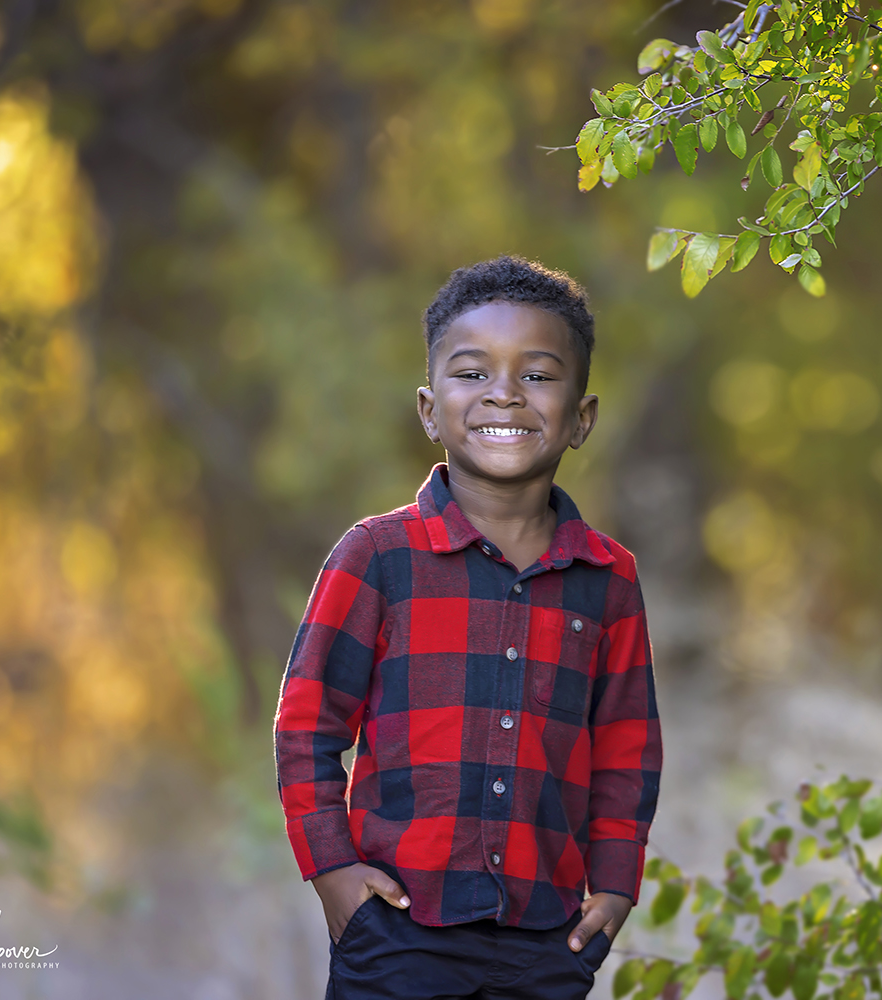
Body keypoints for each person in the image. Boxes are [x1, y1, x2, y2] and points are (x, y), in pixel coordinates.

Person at [273, 256, 663, 999]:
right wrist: (335, 880)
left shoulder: (609, 580)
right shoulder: (377, 557)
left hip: (547, 943)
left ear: (581, 418)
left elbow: (626, 750)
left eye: (539, 376)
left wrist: (614, 889)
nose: (505, 395)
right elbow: (305, 728)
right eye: (473, 373)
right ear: (429, 409)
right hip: (396, 935)